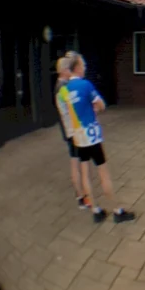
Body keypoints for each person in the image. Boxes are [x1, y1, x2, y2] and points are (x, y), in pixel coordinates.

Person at [60, 53, 135, 223]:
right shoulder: (85, 85)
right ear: (77, 67)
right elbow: (101, 105)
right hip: (92, 136)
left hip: (78, 138)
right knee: (103, 173)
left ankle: (95, 210)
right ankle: (117, 211)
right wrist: (95, 108)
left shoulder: (65, 89)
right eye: (83, 65)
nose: (85, 68)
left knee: (86, 173)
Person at [55, 54, 92, 210]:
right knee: (77, 164)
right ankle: (82, 197)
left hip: (70, 131)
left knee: (76, 162)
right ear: (64, 70)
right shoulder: (63, 88)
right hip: (74, 132)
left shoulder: (60, 86)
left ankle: (81, 196)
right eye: (68, 69)